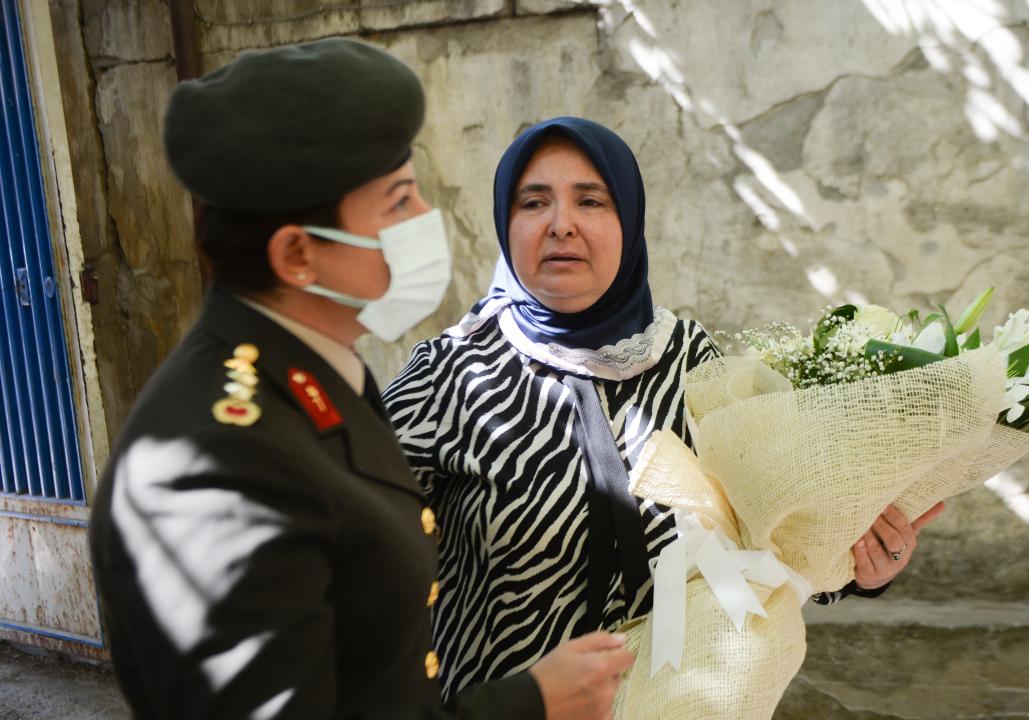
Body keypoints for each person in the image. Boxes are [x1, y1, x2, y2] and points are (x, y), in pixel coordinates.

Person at [88, 44, 630, 719]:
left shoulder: (315, 373)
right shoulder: (218, 467)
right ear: (298, 254)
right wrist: (533, 702)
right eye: (399, 202)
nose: (427, 217)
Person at [382, 116, 945, 702]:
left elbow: (768, 531)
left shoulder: (689, 360)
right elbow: (355, 565)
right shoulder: (448, 376)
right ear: (506, 221)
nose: (561, 225)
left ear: (629, 219)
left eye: (591, 201)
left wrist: (863, 564)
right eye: (534, 202)